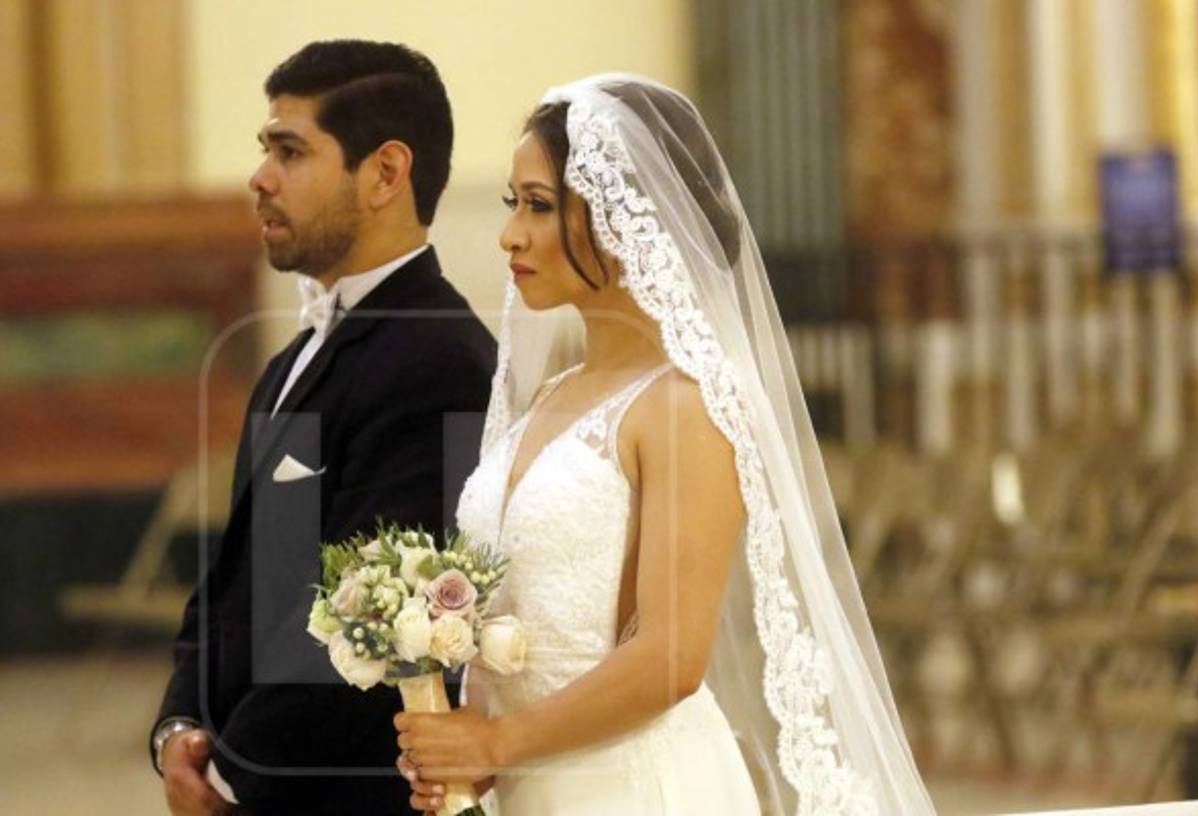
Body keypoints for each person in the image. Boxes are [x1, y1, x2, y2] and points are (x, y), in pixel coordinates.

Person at [394, 74, 935, 814]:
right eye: (512, 203)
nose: (510, 234)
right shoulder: (550, 396)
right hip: (533, 782)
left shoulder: (684, 407)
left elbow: (671, 658)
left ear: (624, 218)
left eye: (540, 206)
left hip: (633, 788)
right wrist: (469, 739)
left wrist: (497, 743)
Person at [152, 40, 496, 816]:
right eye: (264, 148)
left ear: (384, 174)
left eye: (290, 150)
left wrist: (232, 776)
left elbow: (369, 638)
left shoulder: (443, 360)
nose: (260, 177)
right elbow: (237, 579)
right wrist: (178, 727)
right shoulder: (294, 358)